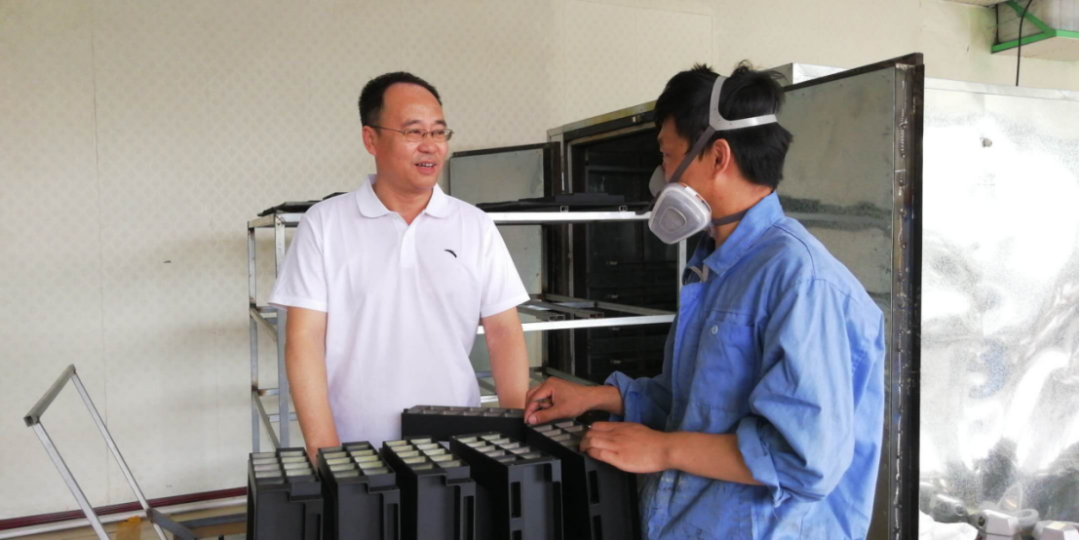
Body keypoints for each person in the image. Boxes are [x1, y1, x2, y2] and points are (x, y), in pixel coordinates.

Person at [524, 63, 886, 539]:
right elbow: (695, 403)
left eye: (667, 156)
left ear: (717, 156)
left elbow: (803, 458)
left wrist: (662, 450)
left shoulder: (800, 280)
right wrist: (594, 396)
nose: (661, 178)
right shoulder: (714, 265)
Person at [270, 72, 531, 460]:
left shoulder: (474, 225)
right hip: (356, 447)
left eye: (438, 132)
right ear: (371, 139)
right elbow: (304, 338)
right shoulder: (324, 223)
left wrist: (517, 434)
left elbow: (503, 331)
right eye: (413, 132)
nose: (430, 145)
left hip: (457, 443)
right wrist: (325, 450)